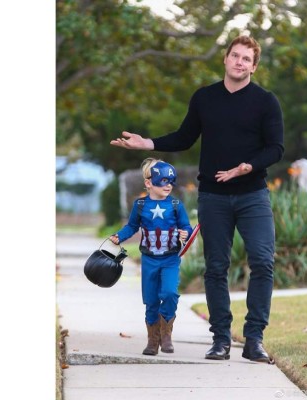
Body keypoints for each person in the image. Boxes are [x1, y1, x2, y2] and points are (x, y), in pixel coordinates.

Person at [110, 35, 284, 363]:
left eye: (247, 59)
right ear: (226, 59)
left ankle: (254, 339)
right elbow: (184, 137)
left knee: (262, 262)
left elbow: (276, 148)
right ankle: (220, 339)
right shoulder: (205, 98)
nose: (240, 62)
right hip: (213, 198)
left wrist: (246, 167)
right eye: (235, 55)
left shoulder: (265, 101)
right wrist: (147, 143)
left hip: (252, 196)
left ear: (254, 67)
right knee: (216, 267)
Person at [109, 158, 193, 356]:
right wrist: (119, 236)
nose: (168, 185)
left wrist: (185, 233)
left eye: (171, 181)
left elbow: (186, 227)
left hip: (170, 259)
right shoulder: (140, 205)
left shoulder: (176, 205)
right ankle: (152, 340)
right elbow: (132, 226)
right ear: (149, 183)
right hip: (148, 260)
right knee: (151, 300)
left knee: (170, 293)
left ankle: (166, 333)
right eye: (163, 181)